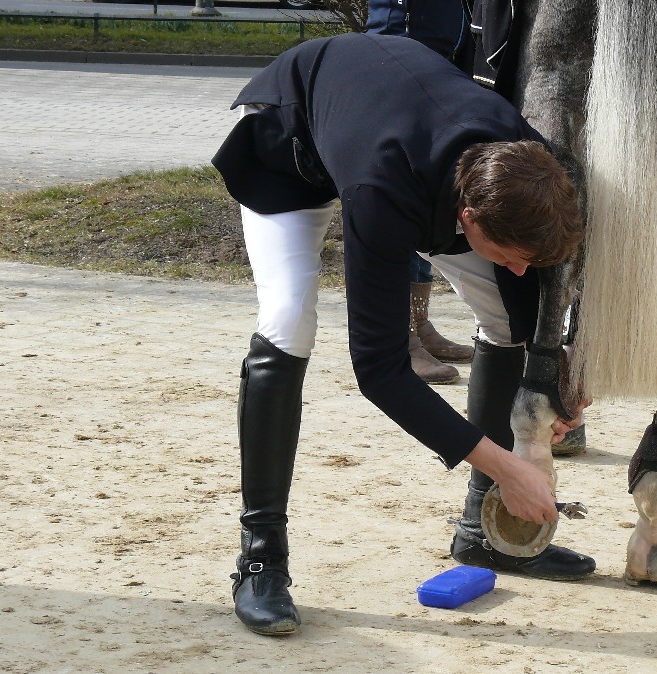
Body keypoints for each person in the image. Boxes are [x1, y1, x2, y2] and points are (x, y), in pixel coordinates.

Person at [212, 32, 594, 637]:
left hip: (409, 137)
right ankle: (261, 558)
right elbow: (379, 370)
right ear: (469, 219)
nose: (521, 268)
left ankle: (483, 532)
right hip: (294, 144)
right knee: (289, 322)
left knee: (505, 317)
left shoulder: (525, 161)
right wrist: (505, 465)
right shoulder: (382, 189)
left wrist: (554, 378)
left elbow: (536, 288)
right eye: (513, 256)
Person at [366, 0, 475, 384]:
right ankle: (401, 336)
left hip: (446, 39)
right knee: (403, 191)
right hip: (406, 38)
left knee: (431, 188)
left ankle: (419, 324)